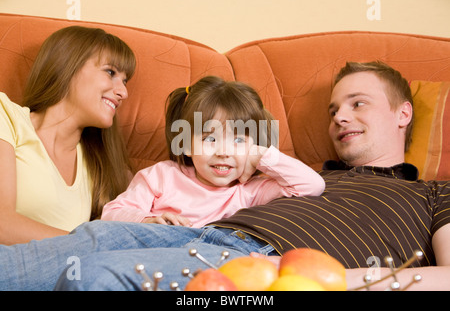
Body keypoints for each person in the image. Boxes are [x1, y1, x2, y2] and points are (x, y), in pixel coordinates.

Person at [1, 61, 450, 291]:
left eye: (357, 103)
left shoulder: (434, 192)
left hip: (259, 261)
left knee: (91, 277)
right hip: (205, 237)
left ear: (403, 112)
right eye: (333, 109)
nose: (339, 117)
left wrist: (316, 278)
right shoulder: (310, 173)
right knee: (95, 241)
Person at [101, 76, 325, 228]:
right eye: (210, 138)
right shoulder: (161, 176)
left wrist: (259, 155)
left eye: (238, 139)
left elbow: (312, 185)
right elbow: (111, 213)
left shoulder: (249, 191)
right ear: (186, 144)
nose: (223, 152)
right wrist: (148, 220)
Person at [0, 26, 136, 245]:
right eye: (111, 72)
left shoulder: (101, 169)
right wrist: (93, 245)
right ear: (67, 65)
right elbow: (2, 225)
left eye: (125, 81)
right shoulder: (6, 115)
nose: (123, 92)